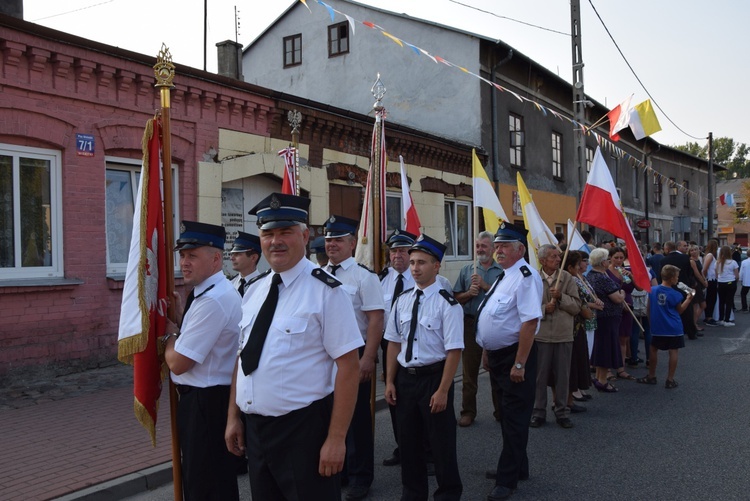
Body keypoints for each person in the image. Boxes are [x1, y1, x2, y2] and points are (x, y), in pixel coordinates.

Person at [225, 193, 363, 500]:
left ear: (304, 235)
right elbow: (243, 357)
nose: (276, 241)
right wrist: (234, 416)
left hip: (304, 432)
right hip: (256, 433)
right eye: (268, 233)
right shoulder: (255, 291)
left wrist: (337, 438)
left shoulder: (327, 293)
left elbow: (349, 368)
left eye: (285, 232)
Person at [163, 220, 242, 500]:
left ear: (216, 258)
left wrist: (169, 336)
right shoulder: (206, 293)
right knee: (211, 482)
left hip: (206, 403)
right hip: (205, 400)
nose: (184, 262)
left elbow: (178, 363)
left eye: (192, 255)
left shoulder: (213, 300)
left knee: (204, 485)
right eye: (182, 255)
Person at [383, 234, 464, 501]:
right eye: (413, 262)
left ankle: (448, 494)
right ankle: (413, 494)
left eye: (422, 262)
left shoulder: (447, 304)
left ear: (436, 266)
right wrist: (390, 381)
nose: (415, 268)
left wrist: (443, 390)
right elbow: (394, 344)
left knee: (441, 445)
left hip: (434, 378)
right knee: (409, 444)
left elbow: (453, 351)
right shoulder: (402, 300)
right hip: (406, 379)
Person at [476, 222, 543, 501]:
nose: (498, 250)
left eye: (504, 246)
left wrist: (519, 364)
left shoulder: (525, 276)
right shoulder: (505, 275)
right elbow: (491, 315)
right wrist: (485, 349)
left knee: (514, 417)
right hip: (498, 355)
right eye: (497, 246)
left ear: (520, 249)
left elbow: (529, 322)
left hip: (515, 355)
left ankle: (507, 480)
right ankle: (518, 467)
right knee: (506, 414)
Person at [324, 214, 385, 501]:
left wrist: (369, 357)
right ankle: (341, 470)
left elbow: (375, 319)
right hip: (326, 357)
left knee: (358, 417)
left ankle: (361, 476)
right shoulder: (317, 274)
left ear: (351, 243)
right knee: (330, 415)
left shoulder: (364, 276)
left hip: (355, 353)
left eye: (337, 239)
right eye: (327, 239)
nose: (331, 244)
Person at [452, 230, 503, 427]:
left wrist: (485, 286)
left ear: (492, 249)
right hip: (471, 323)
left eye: (484, 246)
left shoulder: (501, 271)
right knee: (469, 371)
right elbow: (456, 298)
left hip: (494, 324)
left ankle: (500, 410)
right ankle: (468, 411)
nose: (480, 249)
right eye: (477, 246)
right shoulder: (467, 270)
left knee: (496, 369)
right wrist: (468, 294)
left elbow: (504, 299)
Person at [379, 229, 417, 468]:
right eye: (394, 251)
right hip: (389, 347)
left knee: (417, 403)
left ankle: (426, 451)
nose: (397, 256)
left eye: (403, 250)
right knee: (394, 399)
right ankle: (402, 446)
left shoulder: (420, 276)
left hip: (414, 348)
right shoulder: (382, 278)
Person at [531, 244, 581, 429]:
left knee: (562, 377)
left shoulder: (567, 278)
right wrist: (544, 309)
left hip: (563, 335)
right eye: (554, 257)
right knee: (539, 378)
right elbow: (526, 307)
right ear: (543, 260)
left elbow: (577, 306)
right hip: (541, 336)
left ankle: (562, 412)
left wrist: (561, 297)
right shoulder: (534, 278)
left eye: (559, 256)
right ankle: (538, 412)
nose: (558, 260)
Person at [637, 265, 694, 389]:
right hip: (674, 327)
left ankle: (651, 376)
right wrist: (689, 299)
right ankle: (670, 379)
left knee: (653, 349)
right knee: (673, 351)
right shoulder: (676, 294)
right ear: (672, 278)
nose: (677, 279)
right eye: (677, 277)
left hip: (658, 327)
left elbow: (648, 309)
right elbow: (680, 310)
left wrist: (652, 324)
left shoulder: (652, 290)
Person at [586, 248, 626, 393]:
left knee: (600, 346)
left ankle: (598, 377)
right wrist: (622, 292)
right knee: (606, 347)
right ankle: (602, 380)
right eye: (608, 259)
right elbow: (617, 298)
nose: (609, 261)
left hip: (601, 316)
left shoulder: (590, 275)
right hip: (607, 316)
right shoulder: (602, 277)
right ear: (603, 262)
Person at [567, 251, 602, 404]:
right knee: (578, 354)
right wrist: (593, 305)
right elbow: (579, 300)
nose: (585, 264)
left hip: (589, 319)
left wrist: (597, 301)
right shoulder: (572, 280)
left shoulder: (582, 277)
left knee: (585, 353)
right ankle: (574, 390)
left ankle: (579, 386)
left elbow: (590, 293)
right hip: (579, 321)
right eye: (581, 262)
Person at [606, 247, 636, 380]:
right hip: (612, 306)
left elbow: (639, 287)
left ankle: (621, 368)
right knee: (610, 338)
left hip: (627, 305)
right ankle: (607, 369)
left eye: (621, 258)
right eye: (616, 257)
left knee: (623, 338)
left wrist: (631, 277)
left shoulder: (627, 271)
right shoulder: (606, 272)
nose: (619, 260)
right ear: (610, 258)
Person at [661, 241, 700, 339]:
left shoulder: (664, 260)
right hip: (684, 287)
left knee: (671, 311)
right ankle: (691, 332)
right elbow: (690, 273)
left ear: (667, 249)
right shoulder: (686, 258)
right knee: (688, 311)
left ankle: (673, 331)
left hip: (669, 288)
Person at [229, 231, 262, 297]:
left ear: (253, 258)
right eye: (232, 254)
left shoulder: (263, 285)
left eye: (237, 254)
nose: (232, 258)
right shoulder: (230, 284)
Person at [716, 245, 739, 326]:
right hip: (730, 283)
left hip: (721, 283)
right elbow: (736, 275)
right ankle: (727, 320)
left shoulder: (718, 262)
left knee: (721, 302)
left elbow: (716, 274)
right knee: (729, 302)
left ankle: (721, 319)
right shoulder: (733, 262)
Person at [688, 244, 708, 333]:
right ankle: (693, 324)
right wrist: (703, 282)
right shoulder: (692, 261)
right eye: (691, 250)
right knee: (696, 305)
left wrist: (705, 280)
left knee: (702, 305)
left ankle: (694, 323)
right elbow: (696, 274)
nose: (694, 251)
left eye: (695, 249)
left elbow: (701, 271)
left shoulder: (698, 259)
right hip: (695, 285)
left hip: (699, 284)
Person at [701, 239, 720, 326]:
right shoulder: (710, 256)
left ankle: (709, 315)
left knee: (712, 298)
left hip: (712, 279)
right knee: (711, 298)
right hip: (710, 279)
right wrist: (704, 279)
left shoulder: (710, 255)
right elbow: (705, 269)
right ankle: (709, 317)